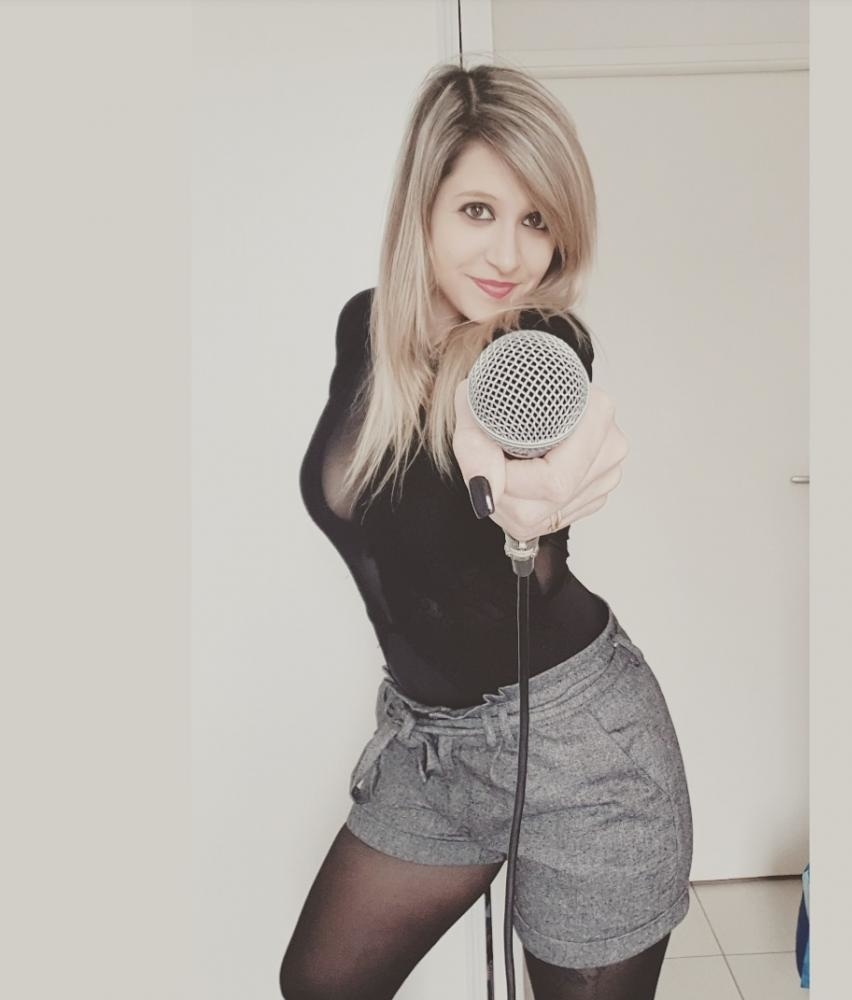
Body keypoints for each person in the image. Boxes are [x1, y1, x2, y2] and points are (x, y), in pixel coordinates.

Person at [280, 61, 693, 1000]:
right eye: (479, 210)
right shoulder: (366, 331)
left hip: (583, 753)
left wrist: (531, 491)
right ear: (421, 208)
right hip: (429, 748)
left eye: (538, 220)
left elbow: (545, 435)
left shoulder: (535, 350)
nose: (511, 254)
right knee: (320, 984)